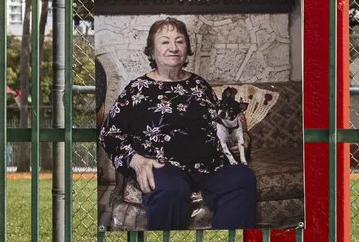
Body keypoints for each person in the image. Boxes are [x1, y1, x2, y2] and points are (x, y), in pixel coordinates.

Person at [99, 18, 259, 230]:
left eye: (179, 41)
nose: (173, 47)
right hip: (164, 166)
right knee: (170, 189)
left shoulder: (200, 85)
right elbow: (109, 134)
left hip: (210, 166)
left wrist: (238, 137)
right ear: (152, 52)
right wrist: (136, 161)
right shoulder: (137, 89)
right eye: (165, 42)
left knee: (242, 177)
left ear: (187, 50)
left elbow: (218, 124)